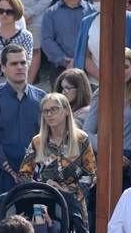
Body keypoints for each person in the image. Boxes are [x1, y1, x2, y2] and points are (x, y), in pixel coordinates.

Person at [0, 44, 45, 211]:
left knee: (34, 220)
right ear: (3, 67)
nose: (19, 67)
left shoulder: (41, 98)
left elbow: (45, 135)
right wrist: (8, 167)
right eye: (14, 63)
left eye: (23, 63)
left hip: (33, 172)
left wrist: (28, 168)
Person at [84, 48, 131, 187]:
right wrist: (109, 152)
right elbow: (87, 131)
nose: (120, 71)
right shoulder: (101, 93)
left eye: (125, 67)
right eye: (116, 66)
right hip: (105, 158)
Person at [18, 93, 97, 223]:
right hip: (44, 203)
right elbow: (23, 173)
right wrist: (42, 187)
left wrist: (67, 189)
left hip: (73, 203)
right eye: (45, 111)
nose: (49, 114)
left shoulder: (81, 139)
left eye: (54, 109)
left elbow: (91, 175)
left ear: (66, 110)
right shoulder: (38, 141)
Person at [74, 0, 131, 88]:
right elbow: (84, 56)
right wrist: (103, 80)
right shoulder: (87, 21)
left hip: (125, 86)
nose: (95, 0)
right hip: (93, 85)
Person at [40, 0, 94, 85]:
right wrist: (65, 62)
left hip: (89, 68)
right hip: (60, 68)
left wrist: (80, 60)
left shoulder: (92, 12)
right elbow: (46, 40)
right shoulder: (50, 13)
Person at [7, 0, 52, 85]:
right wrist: (21, 14)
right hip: (16, 15)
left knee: (35, 50)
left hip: (36, 18)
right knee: (13, 49)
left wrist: (30, 13)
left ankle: (29, 83)